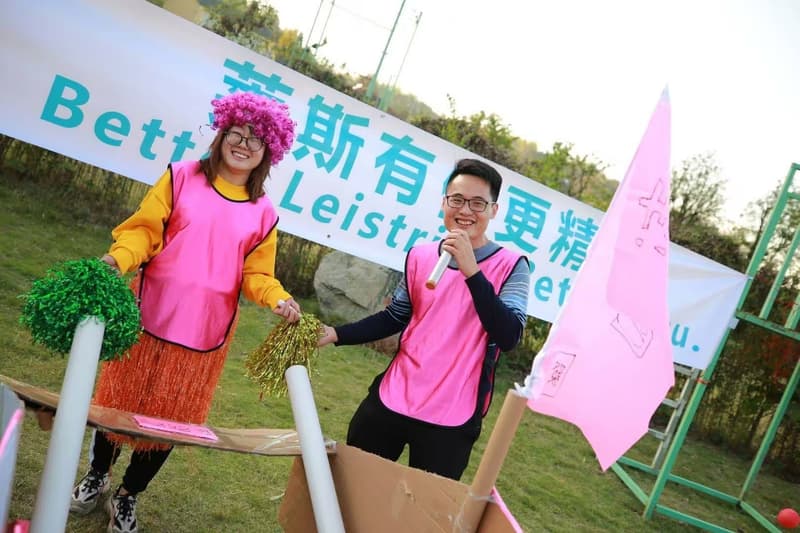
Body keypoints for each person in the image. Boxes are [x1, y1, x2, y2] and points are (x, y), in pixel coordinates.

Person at [69, 91, 301, 533]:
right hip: (146, 314)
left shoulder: (264, 212)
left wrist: (277, 298)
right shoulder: (181, 177)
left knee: (170, 420)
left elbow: (257, 274)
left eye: (256, 139)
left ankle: (128, 495)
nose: (244, 145)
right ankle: (98, 473)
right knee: (117, 400)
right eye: (238, 133)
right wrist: (119, 258)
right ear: (222, 133)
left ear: (268, 151)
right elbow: (144, 232)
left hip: (203, 334)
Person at [318, 158, 531, 481]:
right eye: (457, 199)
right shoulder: (420, 255)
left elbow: (509, 335)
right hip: (394, 395)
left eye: (477, 203)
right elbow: (395, 316)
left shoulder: (512, 266)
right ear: (444, 203)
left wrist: (472, 271)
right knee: (354, 485)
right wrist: (336, 333)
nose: (465, 210)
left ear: (494, 210)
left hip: (452, 414)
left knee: (425, 505)